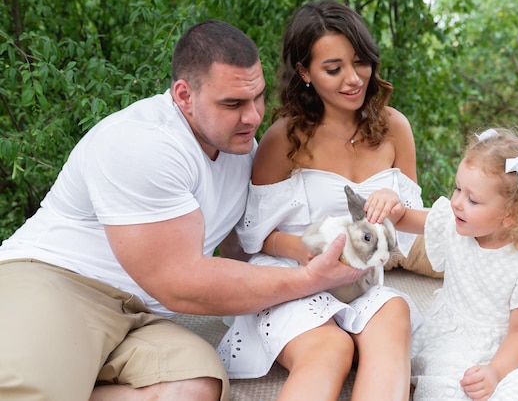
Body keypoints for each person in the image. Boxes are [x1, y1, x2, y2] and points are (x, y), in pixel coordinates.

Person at [0, 20, 368, 401]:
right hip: (57, 282)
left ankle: (75, 379)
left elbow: (244, 250)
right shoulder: (143, 144)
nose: (254, 117)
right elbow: (181, 283)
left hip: (142, 317)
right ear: (183, 95)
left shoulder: (241, 150)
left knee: (197, 386)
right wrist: (311, 279)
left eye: (257, 97)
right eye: (233, 104)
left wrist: (320, 248)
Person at [217, 0, 424, 401]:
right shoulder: (284, 138)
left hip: (360, 281)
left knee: (394, 314)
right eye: (333, 69)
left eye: (360, 62)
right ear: (304, 72)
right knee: (333, 348)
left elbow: (409, 231)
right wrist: (306, 253)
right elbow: (252, 238)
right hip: (291, 273)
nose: (353, 79)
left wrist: (395, 207)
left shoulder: (395, 128)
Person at [375, 127, 518, 400]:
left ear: (510, 216)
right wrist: (390, 201)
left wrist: (495, 371)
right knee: (441, 386)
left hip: (507, 346)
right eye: (457, 189)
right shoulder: (452, 221)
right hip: (454, 333)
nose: (456, 202)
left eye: (472, 199)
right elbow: (401, 219)